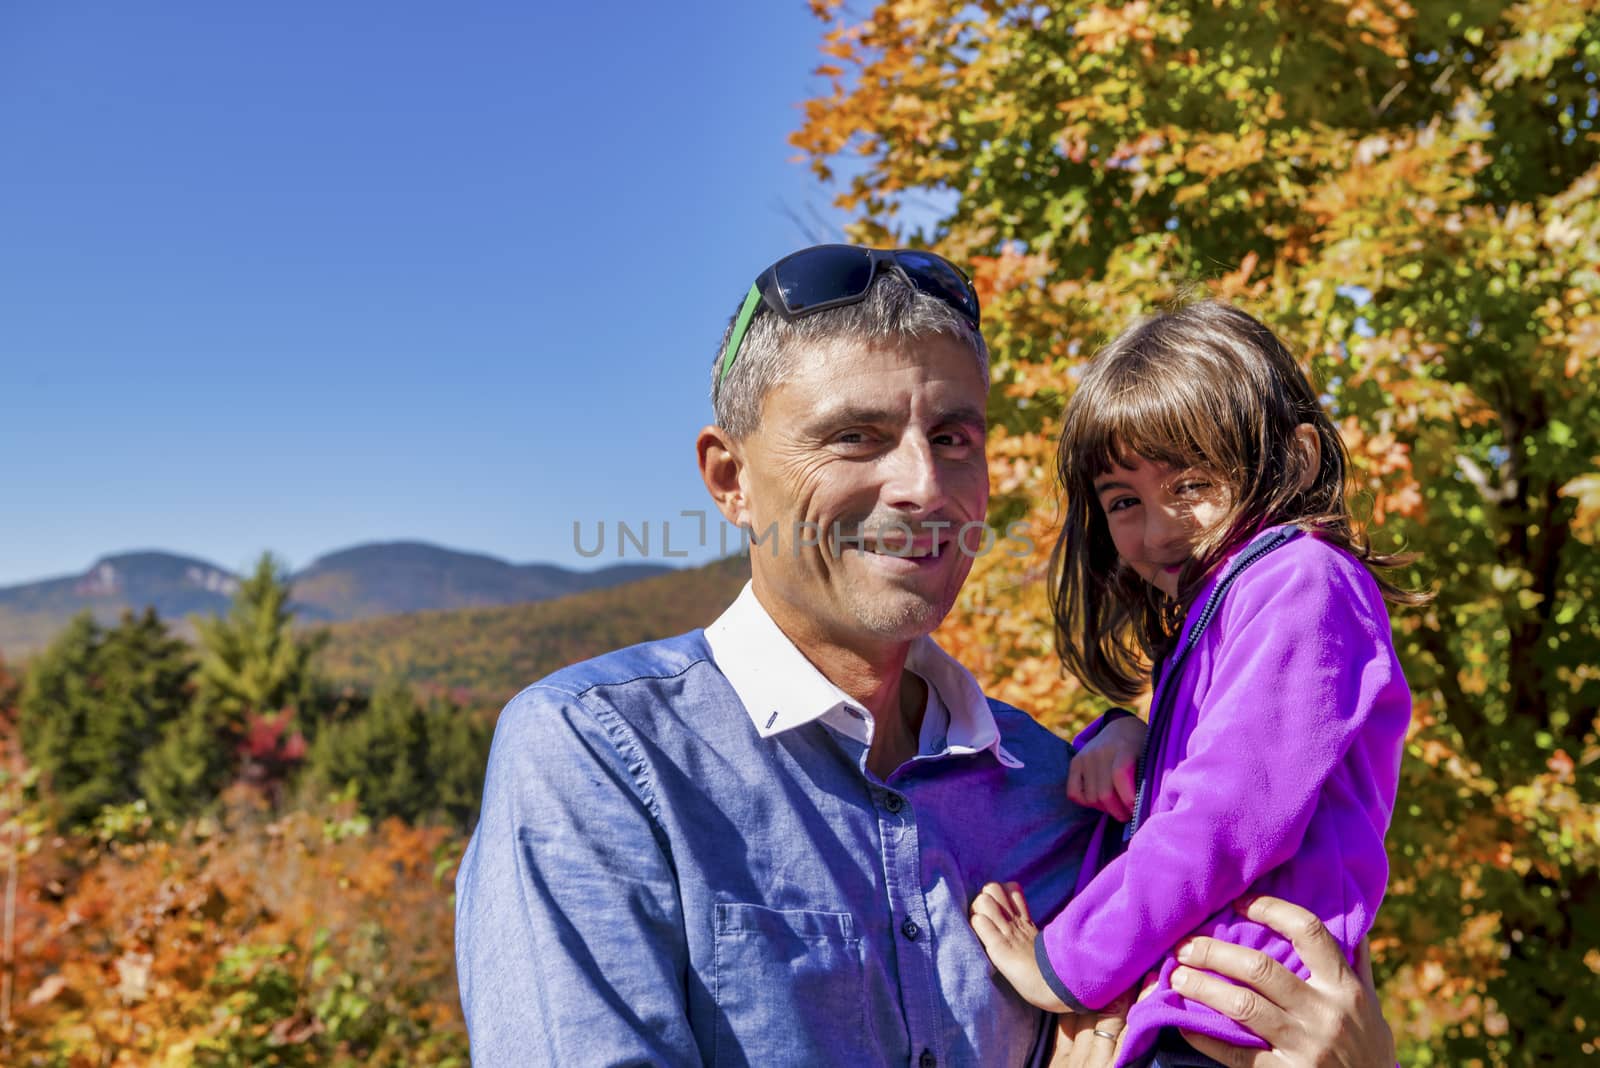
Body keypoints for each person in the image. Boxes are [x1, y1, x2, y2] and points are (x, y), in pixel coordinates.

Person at [454, 247, 1398, 1066]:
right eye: (855, 437)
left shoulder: (1053, 790)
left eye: (953, 438)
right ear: (730, 480)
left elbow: (1233, 864)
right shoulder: (600, 762)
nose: (922, 486)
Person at [971, 301, 1422, 1067]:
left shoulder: (1301, 581)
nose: (1157, 529)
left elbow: (1222, 819)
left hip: (1245, 1025)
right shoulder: (1230, 607)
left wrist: (1064, 964)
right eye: (1124, 501)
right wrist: (1126, 735)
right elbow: (1214, 777)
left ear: (1298, 460)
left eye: (1191, 481)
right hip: (1199, 1011)